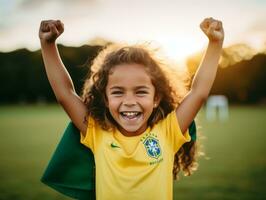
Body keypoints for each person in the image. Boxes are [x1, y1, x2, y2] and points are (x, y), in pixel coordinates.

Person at [39, 17, 224, 199]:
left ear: (156, 98)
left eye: (140, 92)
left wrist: (215, 43)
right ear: (105, 98)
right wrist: (48, 45)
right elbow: (65, 94)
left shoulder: (168, 132)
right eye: (118, 92)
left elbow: (199, 92)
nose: (129, 101)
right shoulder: (96, 133)